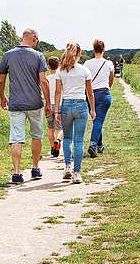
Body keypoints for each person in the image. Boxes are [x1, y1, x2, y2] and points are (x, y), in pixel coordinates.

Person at [0, 29, 50, 184]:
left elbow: (1, 81)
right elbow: (44, 81)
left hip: (16, 105)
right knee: (36, 135)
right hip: (35, 104)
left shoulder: (8, 55)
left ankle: (17, 173)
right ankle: (35, 168)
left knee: (16, 138)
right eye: (37, 39)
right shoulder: (38, 56)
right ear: (34, 38)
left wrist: (2, 97)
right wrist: (48, 102)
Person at [52, 42, 95, 184]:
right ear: (79, 54)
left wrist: (57, 111)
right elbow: (90, 93)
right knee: (78, 141)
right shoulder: (84, 70)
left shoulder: (60, 71)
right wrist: (92, 109)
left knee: (68, 138)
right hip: (81, 105)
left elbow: (58, 92)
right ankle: (77, 173)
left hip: (66, 105)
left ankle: (67, 167)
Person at [84, 40, 115, 157]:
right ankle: (93, 144)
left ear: (93, 49)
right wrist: (107, 88)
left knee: (96, 120)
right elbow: (111, 79)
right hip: (104, 93)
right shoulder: (108, 63)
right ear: (104, 49)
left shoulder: (87, 63)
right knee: (98, 120)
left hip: (90, 94)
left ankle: (99, 145)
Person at [45, 56, 62, 158]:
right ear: (59, 64)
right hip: (58, 104)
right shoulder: (60, 78)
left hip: (48, 104)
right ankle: (58, 142)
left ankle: (52, 148)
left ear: (48, 66)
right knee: (60, 128)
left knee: (50, 127)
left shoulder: (46, 79)